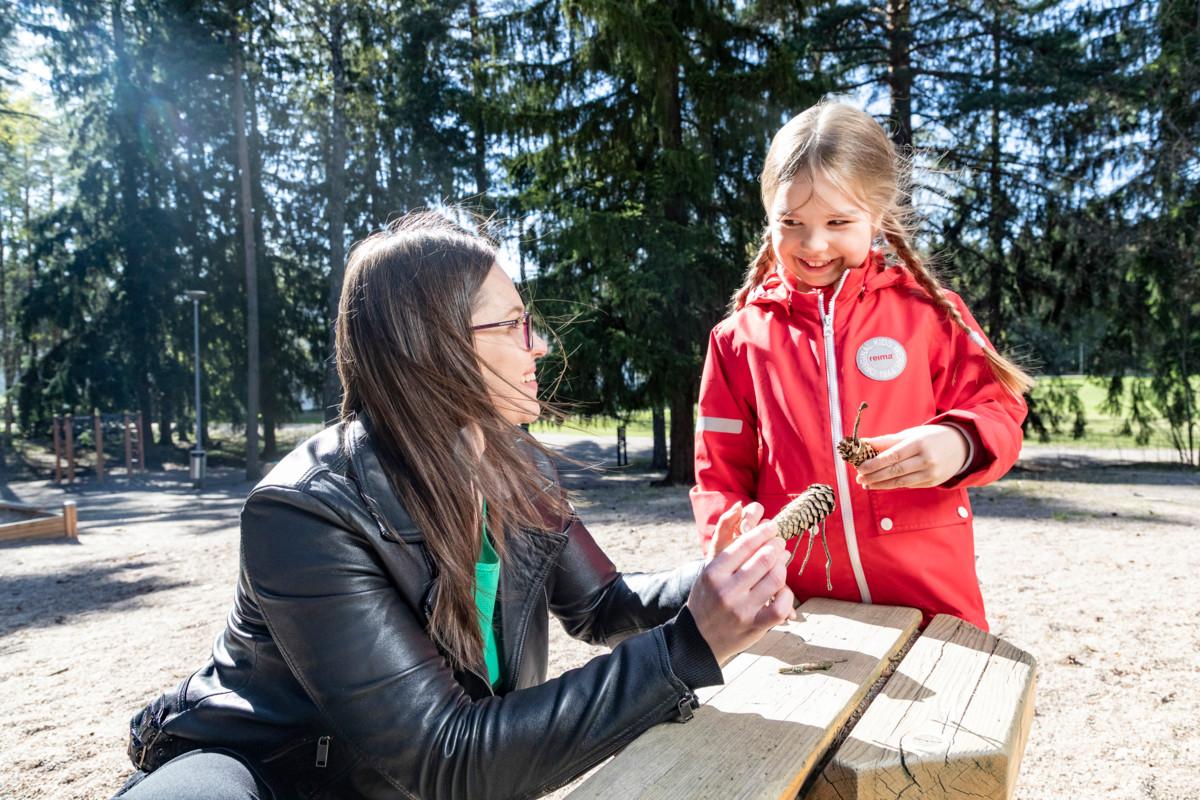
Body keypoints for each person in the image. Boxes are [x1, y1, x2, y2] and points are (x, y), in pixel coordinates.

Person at [115, 211, 794, 800]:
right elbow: (446, 753)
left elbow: (602, 605)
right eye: (514, 325)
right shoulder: (306, 512)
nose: (541, 346)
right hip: (266, 774)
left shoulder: (517, 465)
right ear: (434, 351)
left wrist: (719, 582)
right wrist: (685, 648)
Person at [690, 102, 1033, 631]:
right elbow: (719, 470)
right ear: (768, 217)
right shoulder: (738, 338)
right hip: (798, 609)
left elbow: (999, 408)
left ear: (878, 214)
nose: (814, 243)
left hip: (933, 604)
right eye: (792, 223)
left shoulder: (929, 312)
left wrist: (960, 443)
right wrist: (725, 534)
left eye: (838, 222)